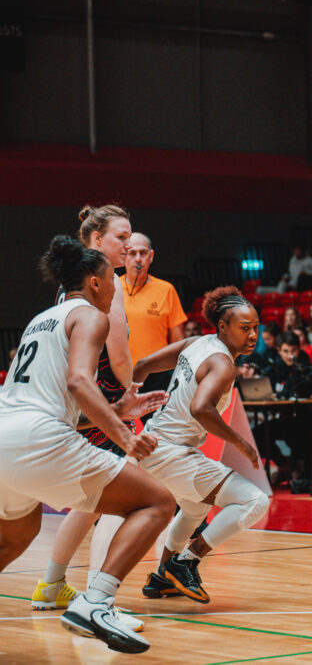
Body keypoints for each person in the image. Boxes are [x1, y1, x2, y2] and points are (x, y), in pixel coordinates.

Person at [1, 235, 174, 654]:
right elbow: (79, 382)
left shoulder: (40, 319)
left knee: (17, 534)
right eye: (111, 279)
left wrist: (118, 408)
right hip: (38, 437)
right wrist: (126, 437)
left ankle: (79, 596)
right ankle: (95, 603)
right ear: (95, 282)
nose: (115, 287)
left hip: (6, 434)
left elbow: (54, 401)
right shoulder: (93, 316)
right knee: (157, 503)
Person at [34, 205, 141, 627]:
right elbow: (119, 360)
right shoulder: (104, 289)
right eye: (121, 237)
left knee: (88, 503)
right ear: (96, 240)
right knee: (124, 500)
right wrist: (133, 390)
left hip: (76, 408)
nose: (129, 244)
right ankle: (99, 597)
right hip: (104, 404)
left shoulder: (69, 288)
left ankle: (51, 583)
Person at [131, 286, 270, 605]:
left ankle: (163, 574)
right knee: (255, 502)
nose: (252, 335)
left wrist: (129, 399)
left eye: (255, 328)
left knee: (195, 507)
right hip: (171, 452)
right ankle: (186, 563)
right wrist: (240, 442)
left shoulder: (196, 343)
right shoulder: (223, 365)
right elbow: (200, 408)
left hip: (154, 443)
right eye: (244, 327)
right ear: (222, 327)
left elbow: (143, 365)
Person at [120, 233, 187, 403]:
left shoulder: (166, 290)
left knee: (155, 428)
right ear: (123, 256)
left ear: (151, 256)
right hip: (118, 374)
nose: (137, 259)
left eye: (142, 253)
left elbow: (178, 342)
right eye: (132, 253)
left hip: (156, 376)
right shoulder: (111, 287)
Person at [264, 331, 312, 398]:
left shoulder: (305, 366)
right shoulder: (276, 365)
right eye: (286, 351)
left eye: (294, 350)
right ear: (279, 351)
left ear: (299, 349)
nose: (290, 356)